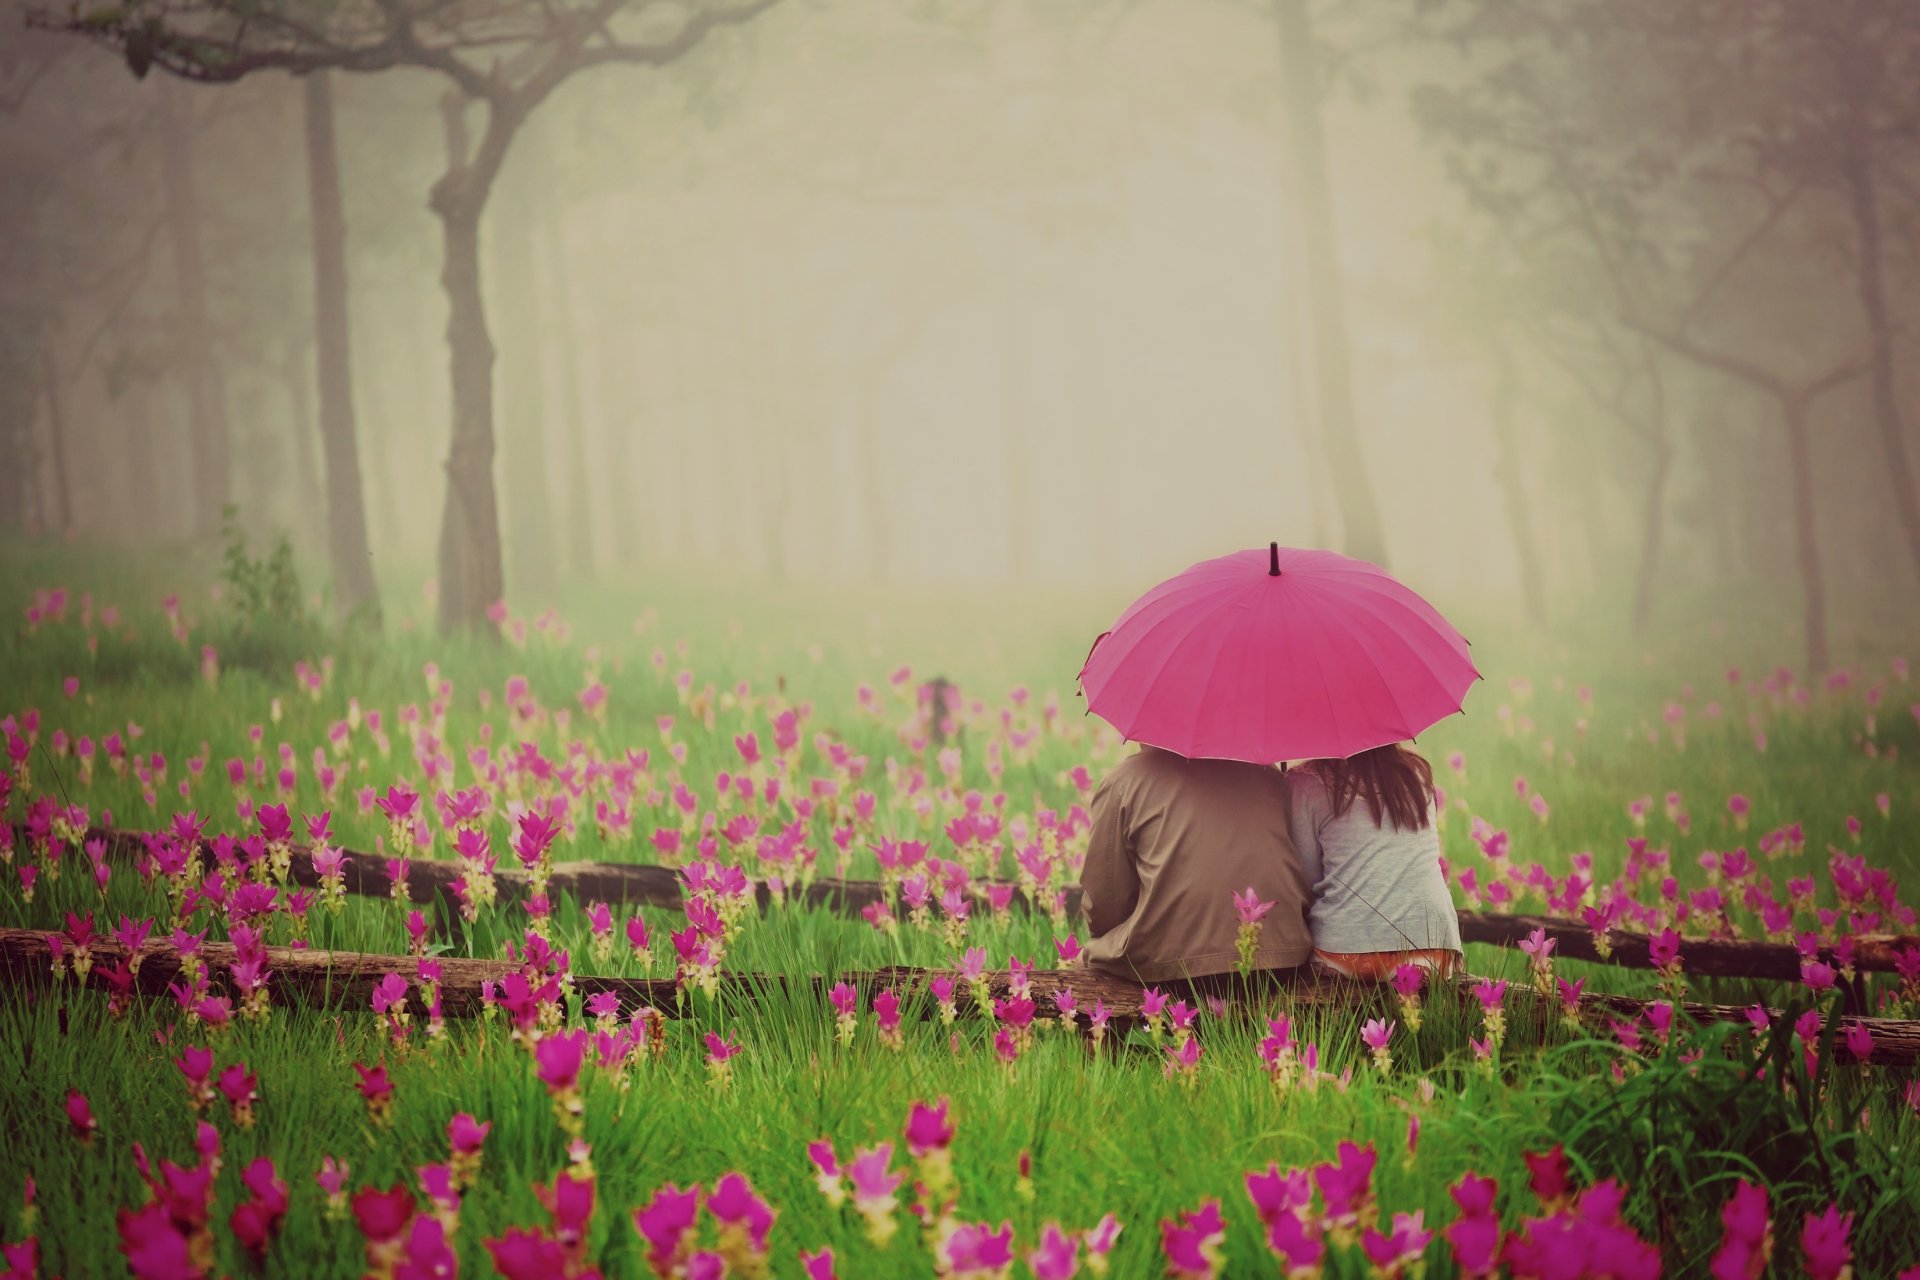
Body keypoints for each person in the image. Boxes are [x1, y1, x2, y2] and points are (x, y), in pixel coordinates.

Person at [1082, 744, 1314, 991]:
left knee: (1088, 956)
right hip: (1282, 963)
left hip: (1171, 969)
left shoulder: (1124, 781)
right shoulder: (1269, 775)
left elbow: (1105, 902)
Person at [1283, 743, 1462, 980]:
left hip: (1348, 956)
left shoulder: (1304, 784)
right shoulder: (1416, 773)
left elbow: (1305, 881)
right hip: (1436, 952)